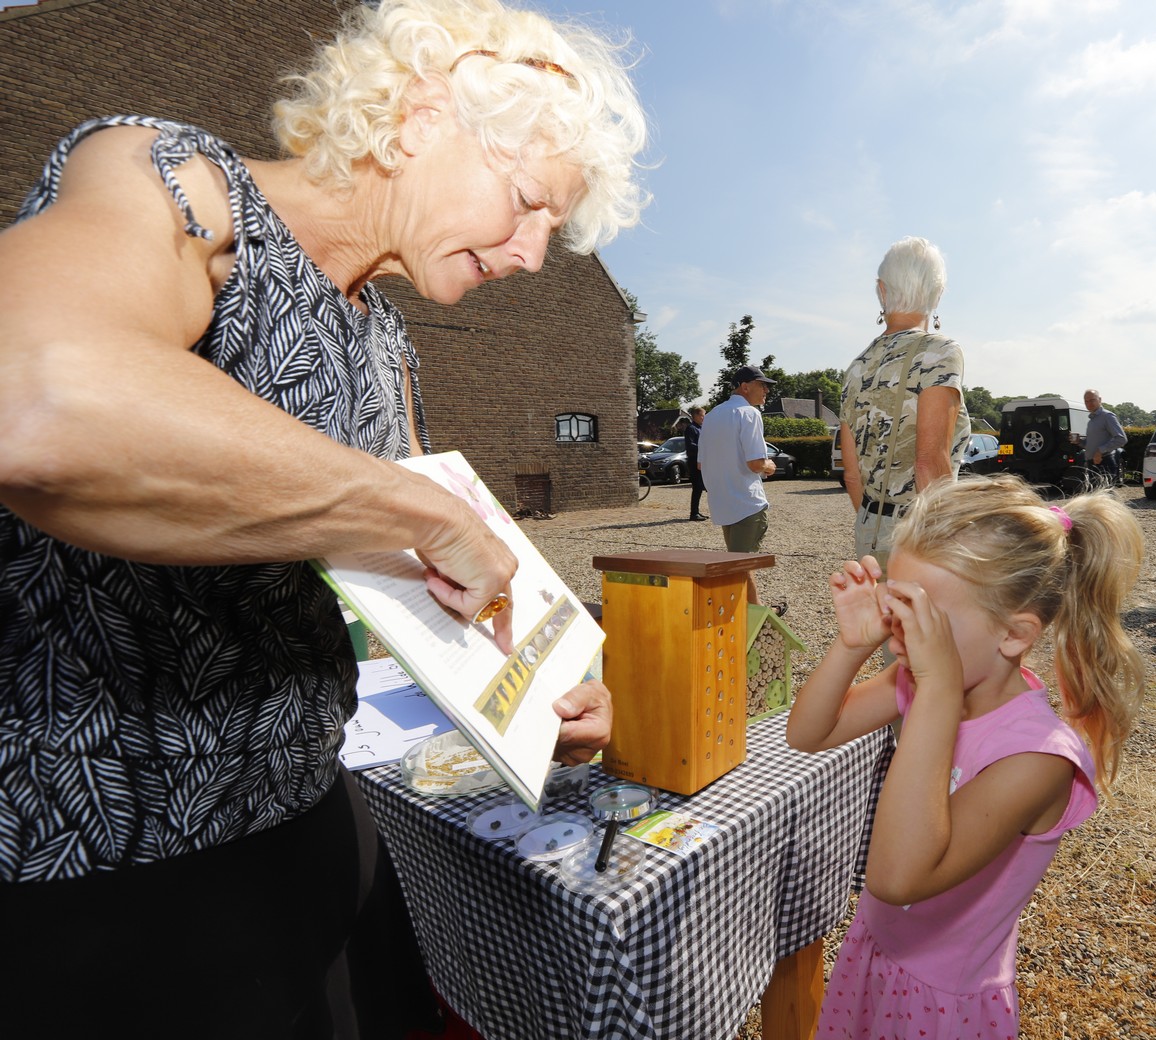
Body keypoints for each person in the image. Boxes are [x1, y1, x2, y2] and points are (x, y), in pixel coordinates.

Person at [0, 0, 647, 1033]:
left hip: (306, 813)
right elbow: (35, 399)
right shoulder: (175, 183)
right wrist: (411, 506)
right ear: (422, 115)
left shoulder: (385, 341)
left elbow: (415, 582)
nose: (533, 254)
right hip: (107, 865)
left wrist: (540, 699)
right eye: (529, 203)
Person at [788, 475, 1145, 1038]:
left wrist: (936, 689)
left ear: (1014, 634)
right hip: (876, 953)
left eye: (925, 619)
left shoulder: (1038, 758)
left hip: (940, 1001)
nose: (900, 634)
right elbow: (810, 734)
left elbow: (897, 879)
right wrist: (852, 645)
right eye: (898, 606)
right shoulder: (917, 680)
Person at [839, 236, 971, 574]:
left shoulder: (856, 367)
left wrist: (875, 525)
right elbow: (929, 463)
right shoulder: (939, 352)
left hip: (867, 533)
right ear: (937, 294)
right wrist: (949, 542)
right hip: (922, 536)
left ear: (881, 290)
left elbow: (852, 475)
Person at [699, 365, 777, 606]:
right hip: (747, 504)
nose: (766, 390)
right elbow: (755, 463)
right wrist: (769, 466)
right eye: (762, 385)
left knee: (737, 565)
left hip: (723, 505)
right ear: (745, 386)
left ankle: (752, 614)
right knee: (739, 567)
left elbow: (701, 464)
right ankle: (756, 617)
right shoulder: (749, 413)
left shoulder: (712, 415)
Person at [1082, 388, 1128, 487]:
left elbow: (1121, 439)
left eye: (1092, 400)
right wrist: (1079, 441)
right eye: (1086, 401)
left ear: (1100, 400)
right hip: (1092, 464)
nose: (1089, 403)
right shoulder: (1092, 420)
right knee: (1095, 495)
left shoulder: (1107, 416)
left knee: (1105, 495)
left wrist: (1100, 451)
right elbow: (1093, 443)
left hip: (1104, 463)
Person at [684, 405, 707, 521]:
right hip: (694, 462)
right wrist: (704, 448)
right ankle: (694, 513)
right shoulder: (691, 428)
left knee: (700, 487)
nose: (704, 418)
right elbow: (690, 445)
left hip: (701, 460)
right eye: (703, 415)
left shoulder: (701, 428)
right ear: (696, 416)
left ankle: (696, 512)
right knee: (697, 487)